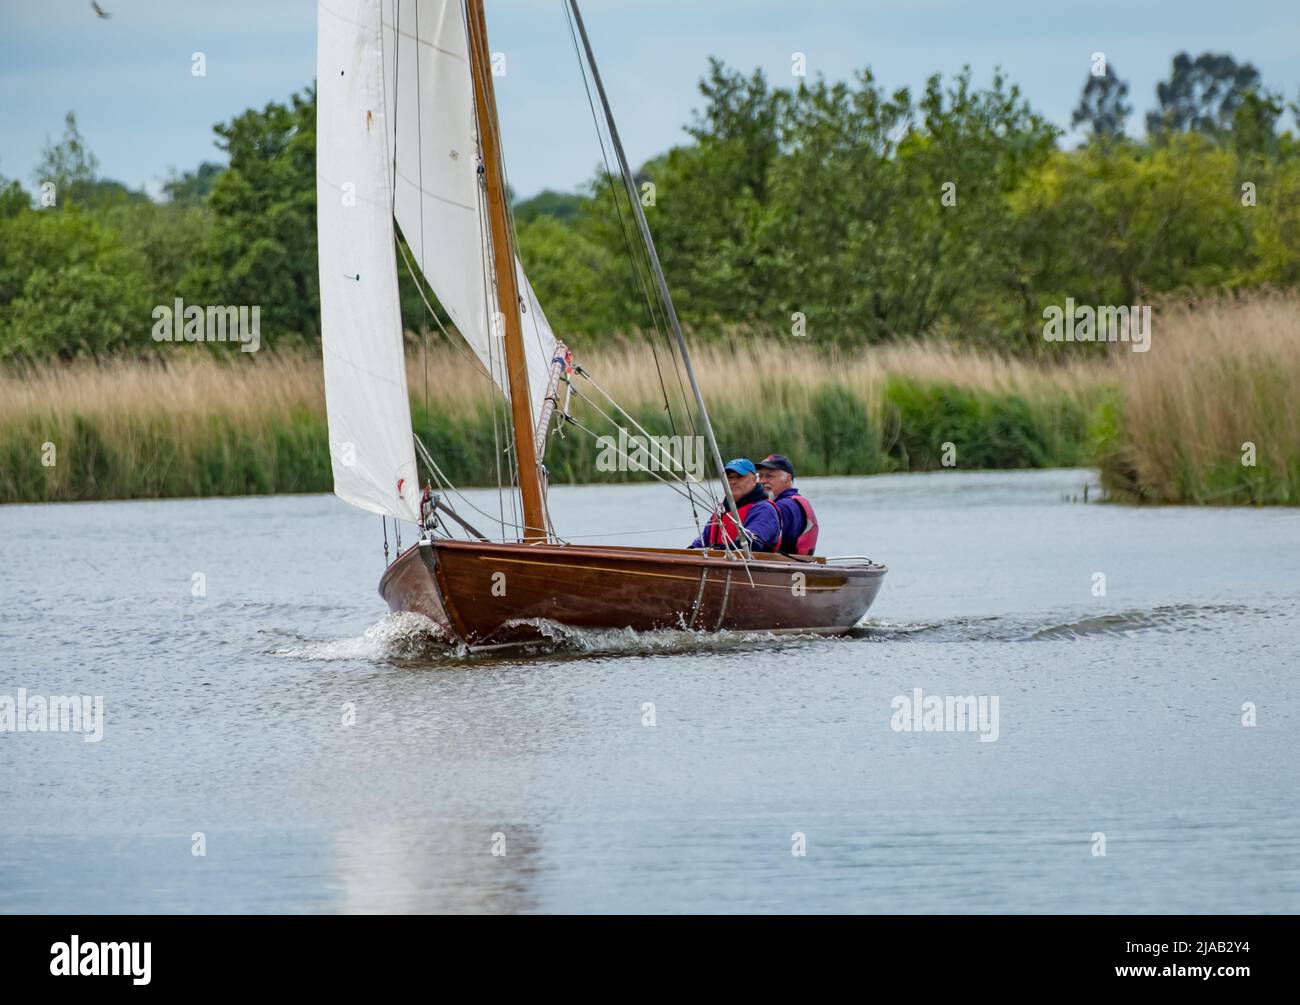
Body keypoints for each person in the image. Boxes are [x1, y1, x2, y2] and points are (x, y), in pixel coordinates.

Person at [689, 458, 782, 553]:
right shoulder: (721, 510)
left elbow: (751, 543)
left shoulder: (764, 510)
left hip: (749, 566)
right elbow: (701, 542)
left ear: (754, 480)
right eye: (729, 478)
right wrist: (691, 550)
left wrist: (717, 550)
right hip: (720, 564)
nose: (733, 481)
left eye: (739, 477)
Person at [757, 453, 819, 556]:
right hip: (797, 567)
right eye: (760, 476)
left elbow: (758, 540)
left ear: (787, 479)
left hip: (781, 569)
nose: (762, 481)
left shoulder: (785, 506)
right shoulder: (794, 502)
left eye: (769, 476)